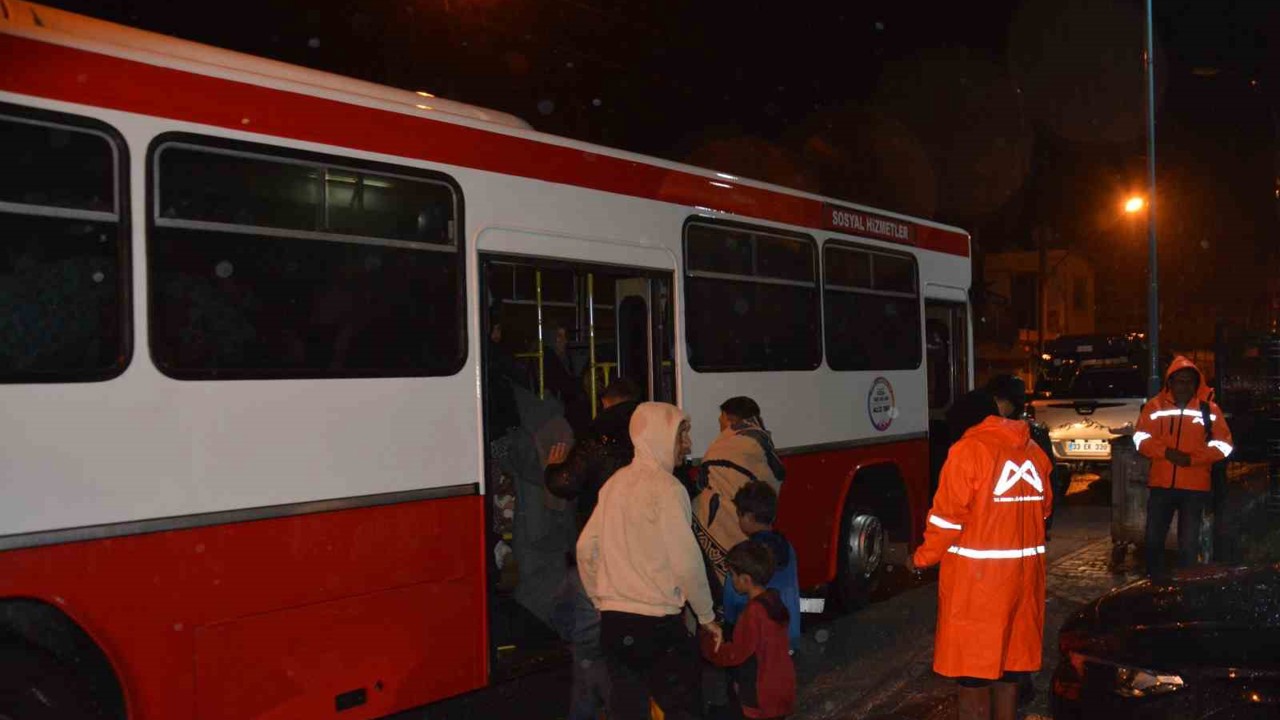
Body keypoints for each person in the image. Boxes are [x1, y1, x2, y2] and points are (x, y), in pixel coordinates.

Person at [577, 402, 721, 720]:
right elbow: (686, 561)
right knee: (682, 707)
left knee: (627, 708)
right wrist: (707, 615)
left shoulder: (614, 485)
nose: (688, 445)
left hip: (615, 625)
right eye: (681, 436)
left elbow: (586, 549)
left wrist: (602, 599)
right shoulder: (668, 489)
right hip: (657, 625)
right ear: (659, 436)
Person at [909, 413, 1053, 720]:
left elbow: (947, 518)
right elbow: (1045, 509)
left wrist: (921, 558)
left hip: (979, 587)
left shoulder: (969, 451)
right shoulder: (1033, 453)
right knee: (1010, 669)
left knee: (972, 675)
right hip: (1024, 582)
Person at [544, 378, 641, 720]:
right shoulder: (647, 436)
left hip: (600, 549)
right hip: (637, 551)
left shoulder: (598, 435)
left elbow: (565, 483)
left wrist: (552, 468)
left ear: (605, 402)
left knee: (585, 641)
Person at [1134, 356, 1233, 580]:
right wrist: (1165, 452)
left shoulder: (1209, 409)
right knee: (1153, 540)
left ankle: (1185, 588)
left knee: (1188, 544)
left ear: (1196, 384)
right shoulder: (1154, 406)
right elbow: (1140, 439)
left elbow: (1224, 445)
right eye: (1179, 381)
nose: (1184, 386)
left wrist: (1192, 459)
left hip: (1195, 488)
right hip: (1161, 485)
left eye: (1189, 381)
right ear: (1170, 383)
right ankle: (1154, 584)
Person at [694, 396, 786, 593]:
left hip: (725, 527)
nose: (720, 424)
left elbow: (705, 484)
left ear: (730, 418)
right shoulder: (762, 442)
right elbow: (775, 478)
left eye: (721, 419)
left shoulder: (722, 446)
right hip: (756, 529)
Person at [700, 541, 797, 720]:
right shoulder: (774, 601)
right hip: (781, 686)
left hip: (761, 693)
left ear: (745, 579)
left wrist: (708, 646)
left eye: (732, 575)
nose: (731, 579)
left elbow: (736, 654)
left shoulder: (753, 613)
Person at [721, 483, 801, 648]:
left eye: (739, 515)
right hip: (788, 634)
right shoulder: (788, 547)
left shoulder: (744, 557)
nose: (739, 520)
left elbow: (732, 600)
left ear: (749, 517)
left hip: (757, 640)